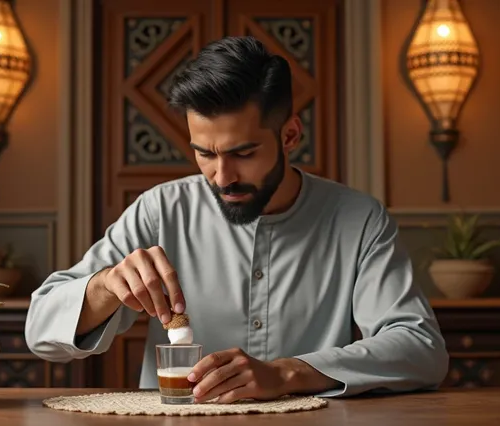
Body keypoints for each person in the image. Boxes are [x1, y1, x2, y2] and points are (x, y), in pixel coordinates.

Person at [25, 36, 448, 403]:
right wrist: (104, 286)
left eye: (243, 154)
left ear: (290, 136)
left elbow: (420, 348)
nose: (221, 177)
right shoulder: (160, 210)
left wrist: (286, 373)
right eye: (204, 154)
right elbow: (40, 329)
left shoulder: (360, 220)